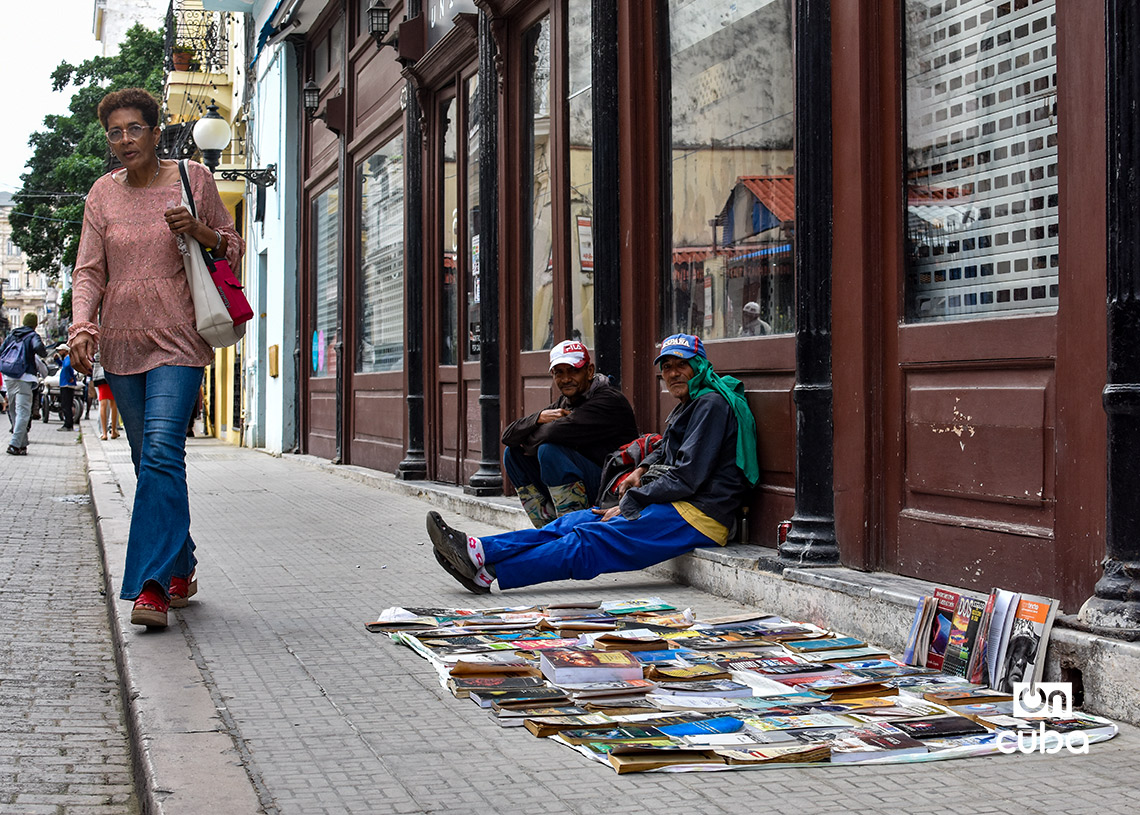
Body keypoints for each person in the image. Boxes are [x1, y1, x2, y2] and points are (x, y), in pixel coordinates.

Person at [68, 87, 243, 628]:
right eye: (114, 132)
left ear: (154, 130)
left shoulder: (193, 178)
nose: (124, 140)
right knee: (149, 463)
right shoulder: (102, 194)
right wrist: (82, 325)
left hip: (179, 338)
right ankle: (183, 565)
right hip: (121, 342)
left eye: (133, 129)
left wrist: (199, 229)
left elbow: (231, 245)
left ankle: (152, 587)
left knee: (164, 453)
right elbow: (90, 270)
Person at [428, 333, 760, 593]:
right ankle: (477, 550)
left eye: (680, 365)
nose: (672, 374)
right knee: (568, 524)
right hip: (676, 504)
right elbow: (667, 450)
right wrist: (641, 471)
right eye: (666, 367)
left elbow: (688, 476)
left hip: (699, 514)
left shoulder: (711, 405)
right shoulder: (690, 404)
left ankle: (487, 570)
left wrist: (633, 501)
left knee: (588, 540)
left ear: (699, 365)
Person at [501, 340, 639, 527]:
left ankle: (573, 527)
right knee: (513, 454)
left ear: (589, 371)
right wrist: (539, 418)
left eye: (573, 371)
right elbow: (508, 437)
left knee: (549, 451)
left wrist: (532, 438)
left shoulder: (608, 400)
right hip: (585, 482)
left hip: (611, 486)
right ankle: (548, 526)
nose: (566, 379)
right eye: (559, 373)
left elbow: (551, 433)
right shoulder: (566, 402)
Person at [3, 313, 49, 455]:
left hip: (9, 376)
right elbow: (40, 350)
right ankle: (15, 445)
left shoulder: (12, 335)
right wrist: (43, 350)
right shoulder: (33, 336)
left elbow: (1, 351)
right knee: (23, 412)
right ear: (35, 325)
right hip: (25, 377)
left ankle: (22, 445)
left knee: (14, 411)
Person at [92, 359, 120, 441]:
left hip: (100, 375)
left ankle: (104, 434)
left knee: (103, 404)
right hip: (113, 372)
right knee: (114, 404)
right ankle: (113, 431)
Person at [55, 345, 77, 431]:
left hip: (67, 384)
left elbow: (67, 366)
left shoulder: (68, 359)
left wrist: (69, 378)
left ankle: (68, 425)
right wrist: (57, 360)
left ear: (65, 351)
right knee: (66, 404)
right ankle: (68, 423)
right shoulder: (66, 359)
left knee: (66, 405)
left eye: (61, 351)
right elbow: (63, 365)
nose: (59, 352)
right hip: (66, 384)